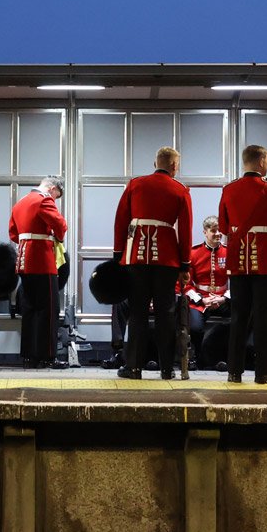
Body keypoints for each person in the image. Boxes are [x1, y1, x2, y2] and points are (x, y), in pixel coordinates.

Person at [112, 146, 192, 380]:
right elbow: (185, 230)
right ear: (174, 166)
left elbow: (121, 221)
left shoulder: (135, 184)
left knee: (137, 312)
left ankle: (133, 367)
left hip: (136, 255)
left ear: (154, 162)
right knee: (165, 314)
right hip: (167, 259)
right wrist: (184, 265)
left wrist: (119, 255)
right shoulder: (180, 190)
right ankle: (167, 368)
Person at [218, 144, 267, 384]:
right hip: (265, 260)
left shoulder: (229, 189)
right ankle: (263, 372)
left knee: (238, 316)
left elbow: (222, 225)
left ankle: (234, 371)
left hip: (238, 261)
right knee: (264, 317)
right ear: (262, 161)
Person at [8, 176, 68, 369]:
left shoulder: (20, 202)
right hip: (42, 260)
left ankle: (29, 356)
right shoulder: (44, 199)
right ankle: (47, 356)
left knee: (30, 309)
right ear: (51, 189)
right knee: (48, 310)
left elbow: (13, 233)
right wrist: (53, 235)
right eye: (56, 196)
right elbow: (61, 225)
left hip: (24, 260)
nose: (54, 199)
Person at [186, 216, 229, 371]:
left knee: (241, 317)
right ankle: (197, 358)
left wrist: (223, 298)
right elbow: (186, 284)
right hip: (200, 300)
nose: (218, 234)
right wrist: (201, 300)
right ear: (205, 232)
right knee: (196, 328)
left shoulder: (228, 253)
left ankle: (229, 357)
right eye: (213, 231)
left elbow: (236, 281)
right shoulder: (194, 253)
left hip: (222, 300)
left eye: (220, 231)